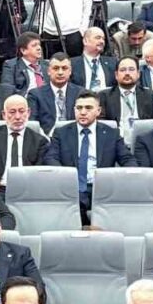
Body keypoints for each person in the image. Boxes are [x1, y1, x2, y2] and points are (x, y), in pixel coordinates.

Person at [47, 90, 134, 221]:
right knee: (75, 207)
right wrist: (65, 178)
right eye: (79, 108)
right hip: (72, 187)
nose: (83, 112)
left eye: (88, 108)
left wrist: (127, 178)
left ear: (98, 111)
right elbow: (51, 158)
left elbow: (127, 159)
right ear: (74, 110)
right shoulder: (61, 133)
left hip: (102, 187)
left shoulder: (111, 134)